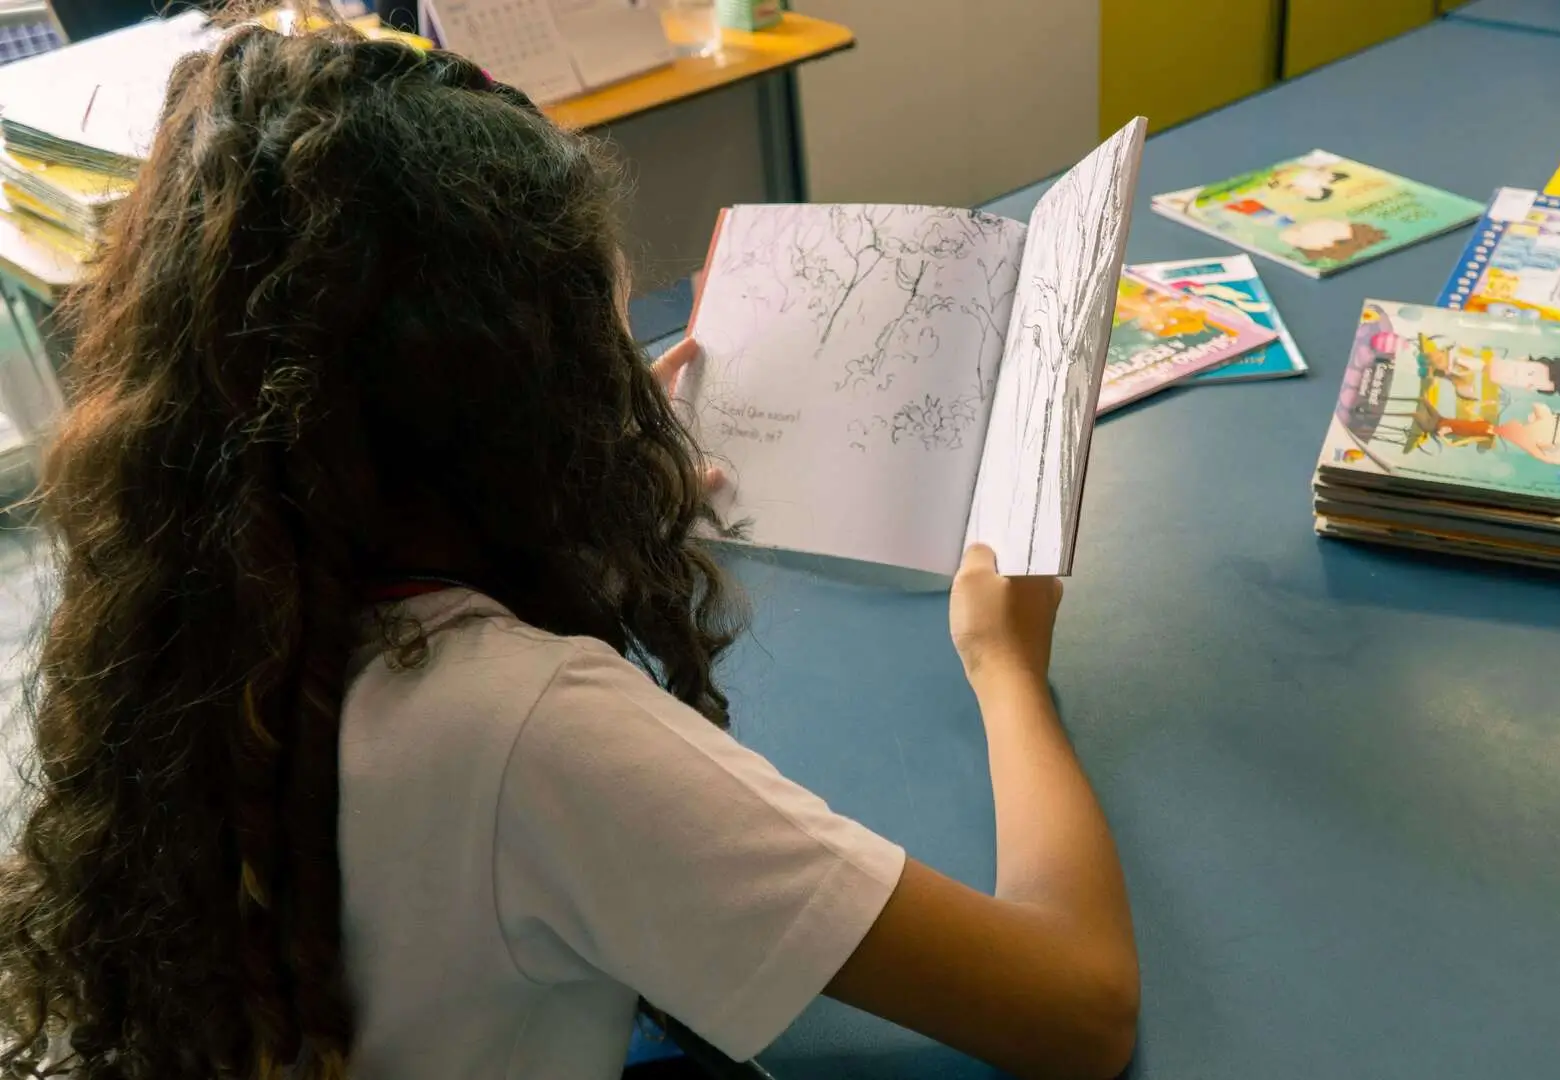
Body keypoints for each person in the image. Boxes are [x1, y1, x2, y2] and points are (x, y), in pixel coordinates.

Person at [0, 19, 1138, 1080]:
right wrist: (1004, 669)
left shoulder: (190, 593)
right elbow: (1076, 1009)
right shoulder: (529, 732)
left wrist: (558, 501)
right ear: (513, 399)